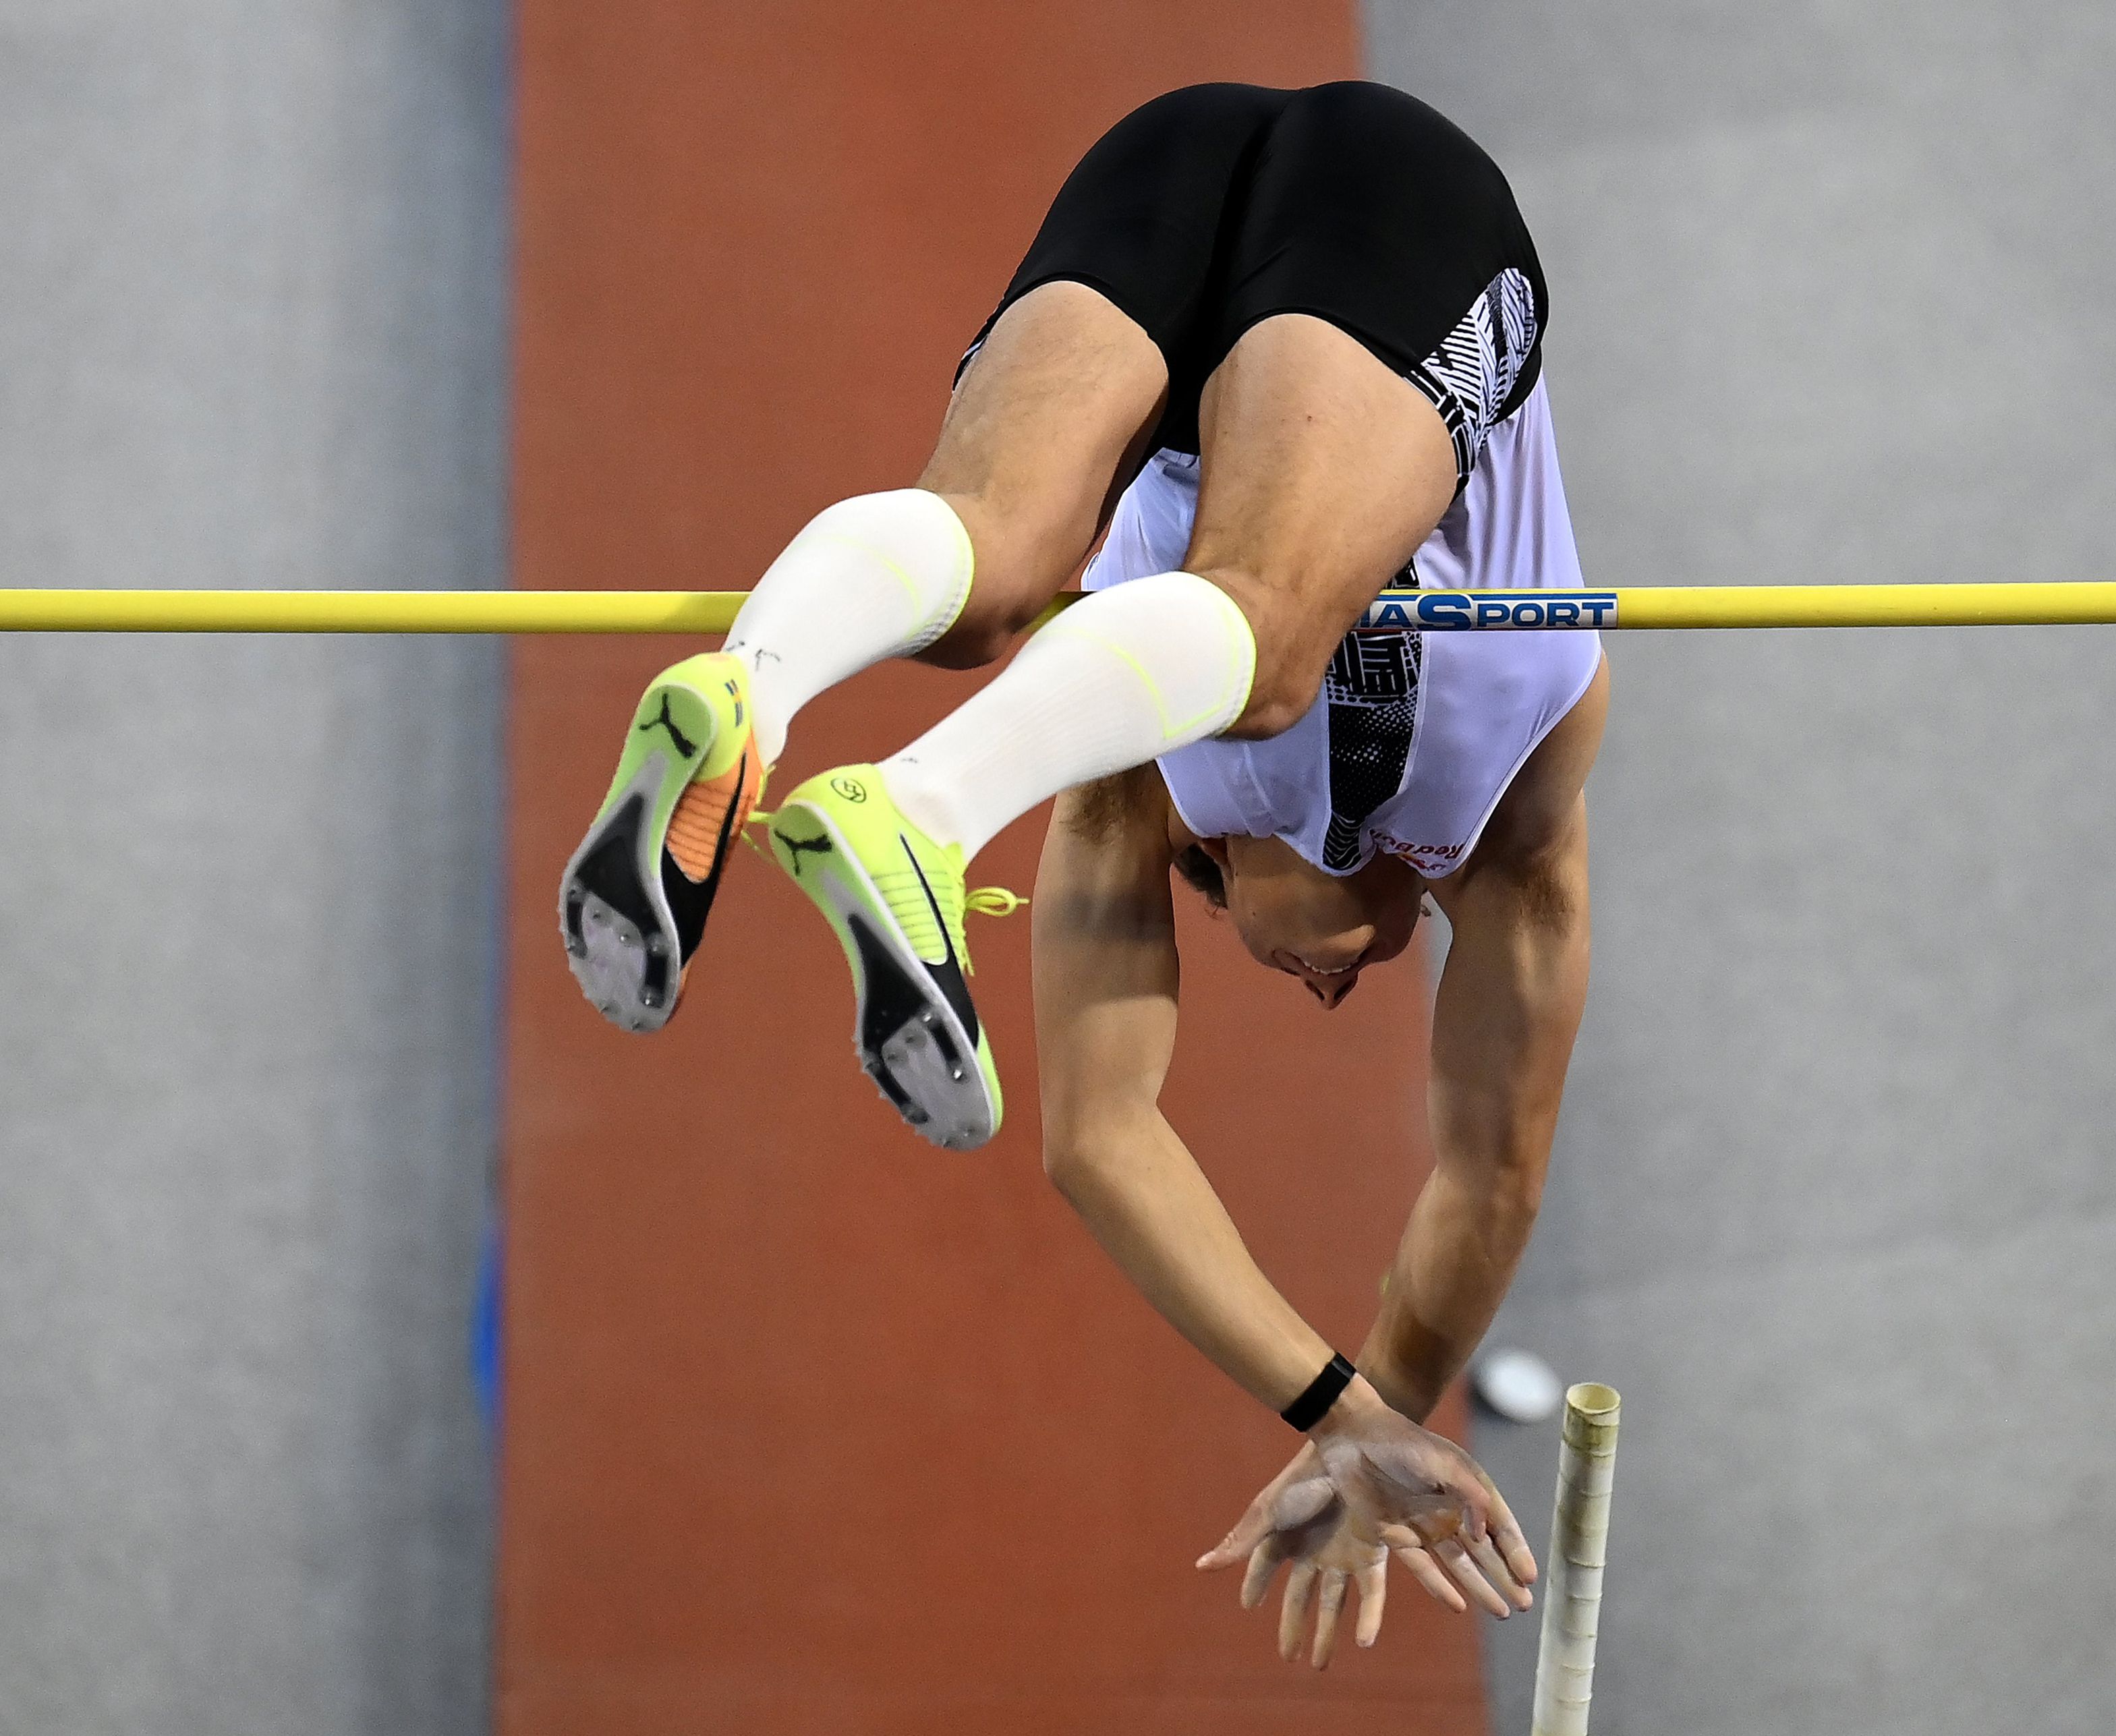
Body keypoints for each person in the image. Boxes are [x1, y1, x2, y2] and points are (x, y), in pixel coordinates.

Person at [557, 79, 1601, 1668]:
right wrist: (1375, 1410)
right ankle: (913, 801)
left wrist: (1350, 1418)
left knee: (989, 563)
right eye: (1354, 976)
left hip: (1170, 162)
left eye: (1283, 974)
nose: (1327, 983)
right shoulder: (1516, 835)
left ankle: (749, 692)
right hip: (1406, 208)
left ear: (1202, 875)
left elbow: (1099, 1136)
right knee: (1261, 637)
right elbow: (1491, 1178)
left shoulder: (1128, 773)